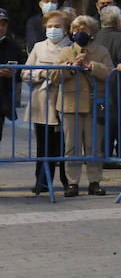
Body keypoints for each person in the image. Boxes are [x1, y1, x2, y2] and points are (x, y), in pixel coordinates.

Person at [52, 15, 114, 196]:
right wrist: (70, 67)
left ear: (92, 33)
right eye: (77, 30)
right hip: (70, 105)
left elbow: (110, 74)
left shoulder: (101, 51)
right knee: (72, 146)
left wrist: (90, 65)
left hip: (96, 104)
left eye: (84, 30)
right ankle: (73, 182)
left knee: (94, 145)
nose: (80, 34)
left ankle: (95, 181)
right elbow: (55, 77)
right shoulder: (65, 52)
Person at [22, 10, 73, 194]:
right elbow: (25, 73)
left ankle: (68, 181)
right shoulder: (38, 47)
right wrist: (41, 73)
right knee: (43, 145)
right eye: (50, 26)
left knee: (65, 146)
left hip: (65, 101)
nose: (53, 29)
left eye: (57, 26)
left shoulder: (72, 48)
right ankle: (42, 182)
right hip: (42, 102)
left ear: (66, 28)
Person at [94, 5, 121, 163]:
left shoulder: (95, 36)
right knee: (112, 120)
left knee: (100, 118)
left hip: (97, 85)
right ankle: (107, 154)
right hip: (114, 86)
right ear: (117, 20)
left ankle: (99, 151)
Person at [0, 9, 24, 146]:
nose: (1, 28)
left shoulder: (13, 47)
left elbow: (22, 72)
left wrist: (13, 74)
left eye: (3, 24)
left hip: (3, 98)